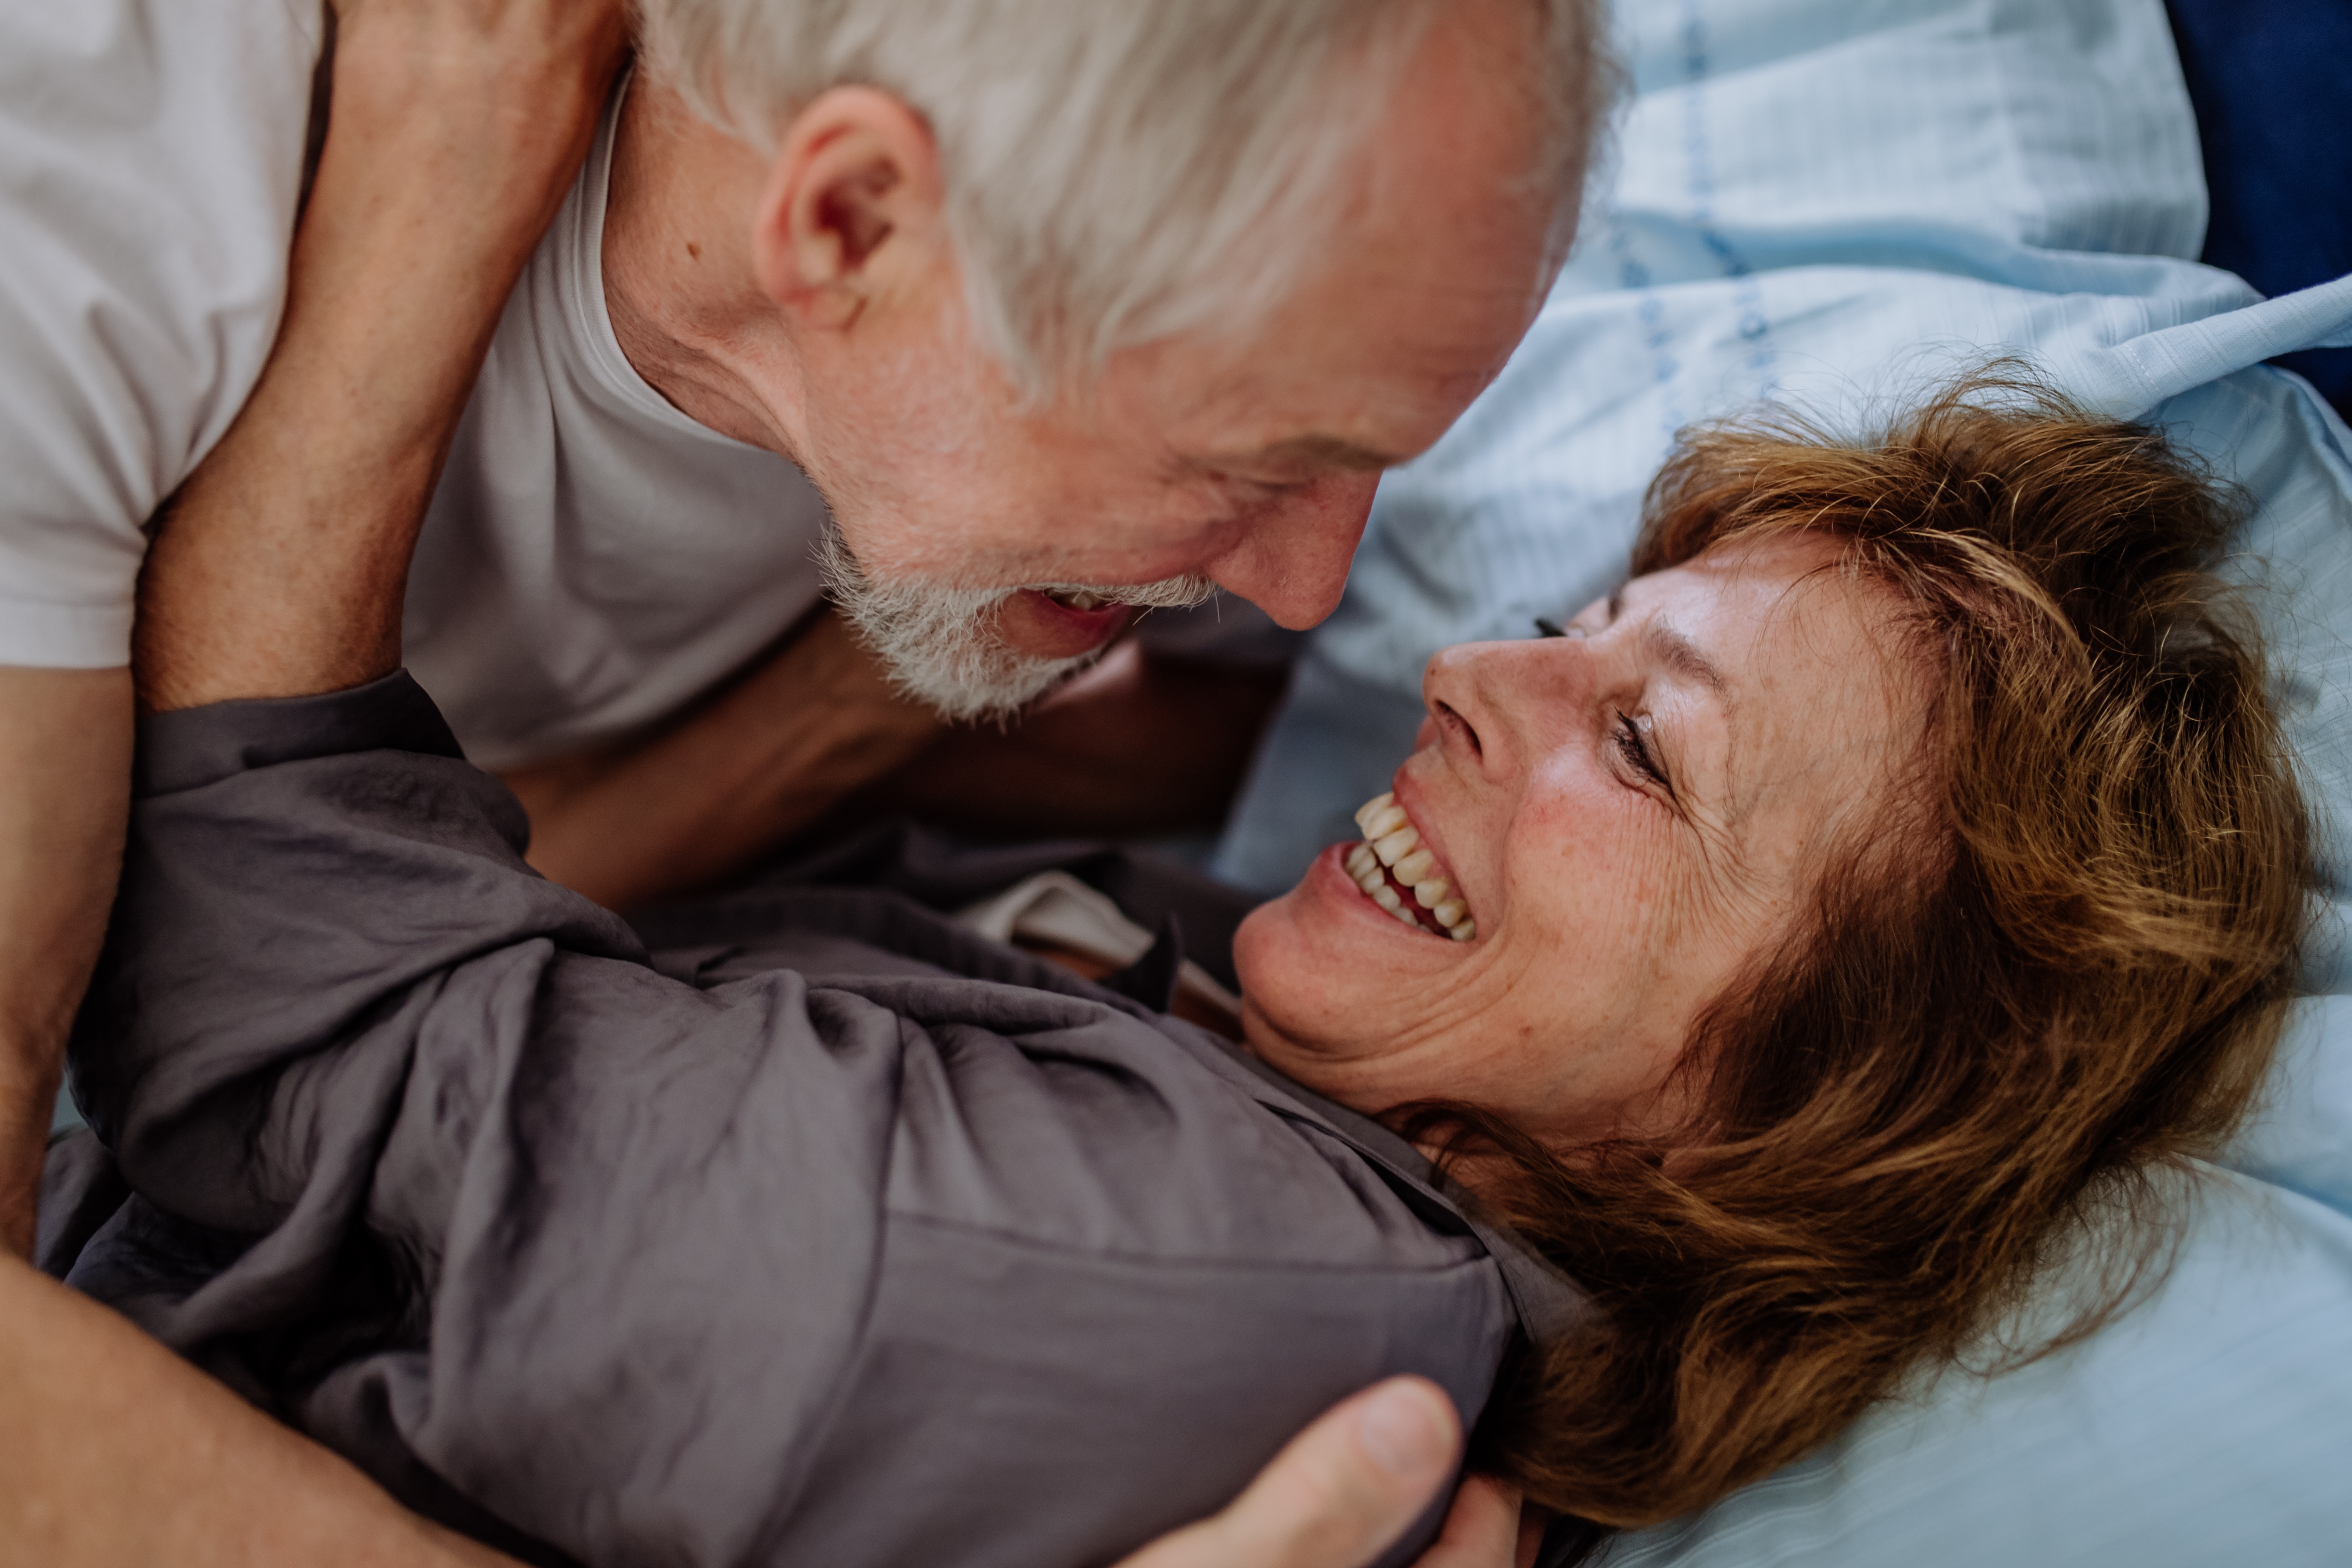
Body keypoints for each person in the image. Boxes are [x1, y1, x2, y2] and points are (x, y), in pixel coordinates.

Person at [50, 160, 2316, 1554]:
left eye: (1637, 742)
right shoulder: (1260, 1155)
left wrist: (428, 220)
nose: (1459, 672)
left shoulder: (1172, 1290)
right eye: (1571, 625)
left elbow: (289, 1024)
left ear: (1792, 1114)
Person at [4, 1, 1605, 1560]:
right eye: (1250, 465)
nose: (1316, 586)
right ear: (845, 220)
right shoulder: (88, 181)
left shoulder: (1179, 279)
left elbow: (457, 870)